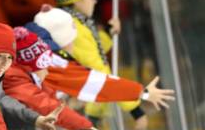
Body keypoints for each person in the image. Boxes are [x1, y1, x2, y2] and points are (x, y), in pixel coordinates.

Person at [32, 6, 175, 112]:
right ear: (63, 40)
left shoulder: (38, 54)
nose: (74, 43)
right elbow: (101, 85)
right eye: (72, 38)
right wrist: (142, 93)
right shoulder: (53, 64)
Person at [53, 0, 149, 129]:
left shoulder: (76, 24)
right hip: (84, 104)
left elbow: (92, 52)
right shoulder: (74, 29)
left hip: (89, 105)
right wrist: (135, 110)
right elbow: (99, 72)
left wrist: (107, 33)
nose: (95, 0)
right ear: (78, 1)